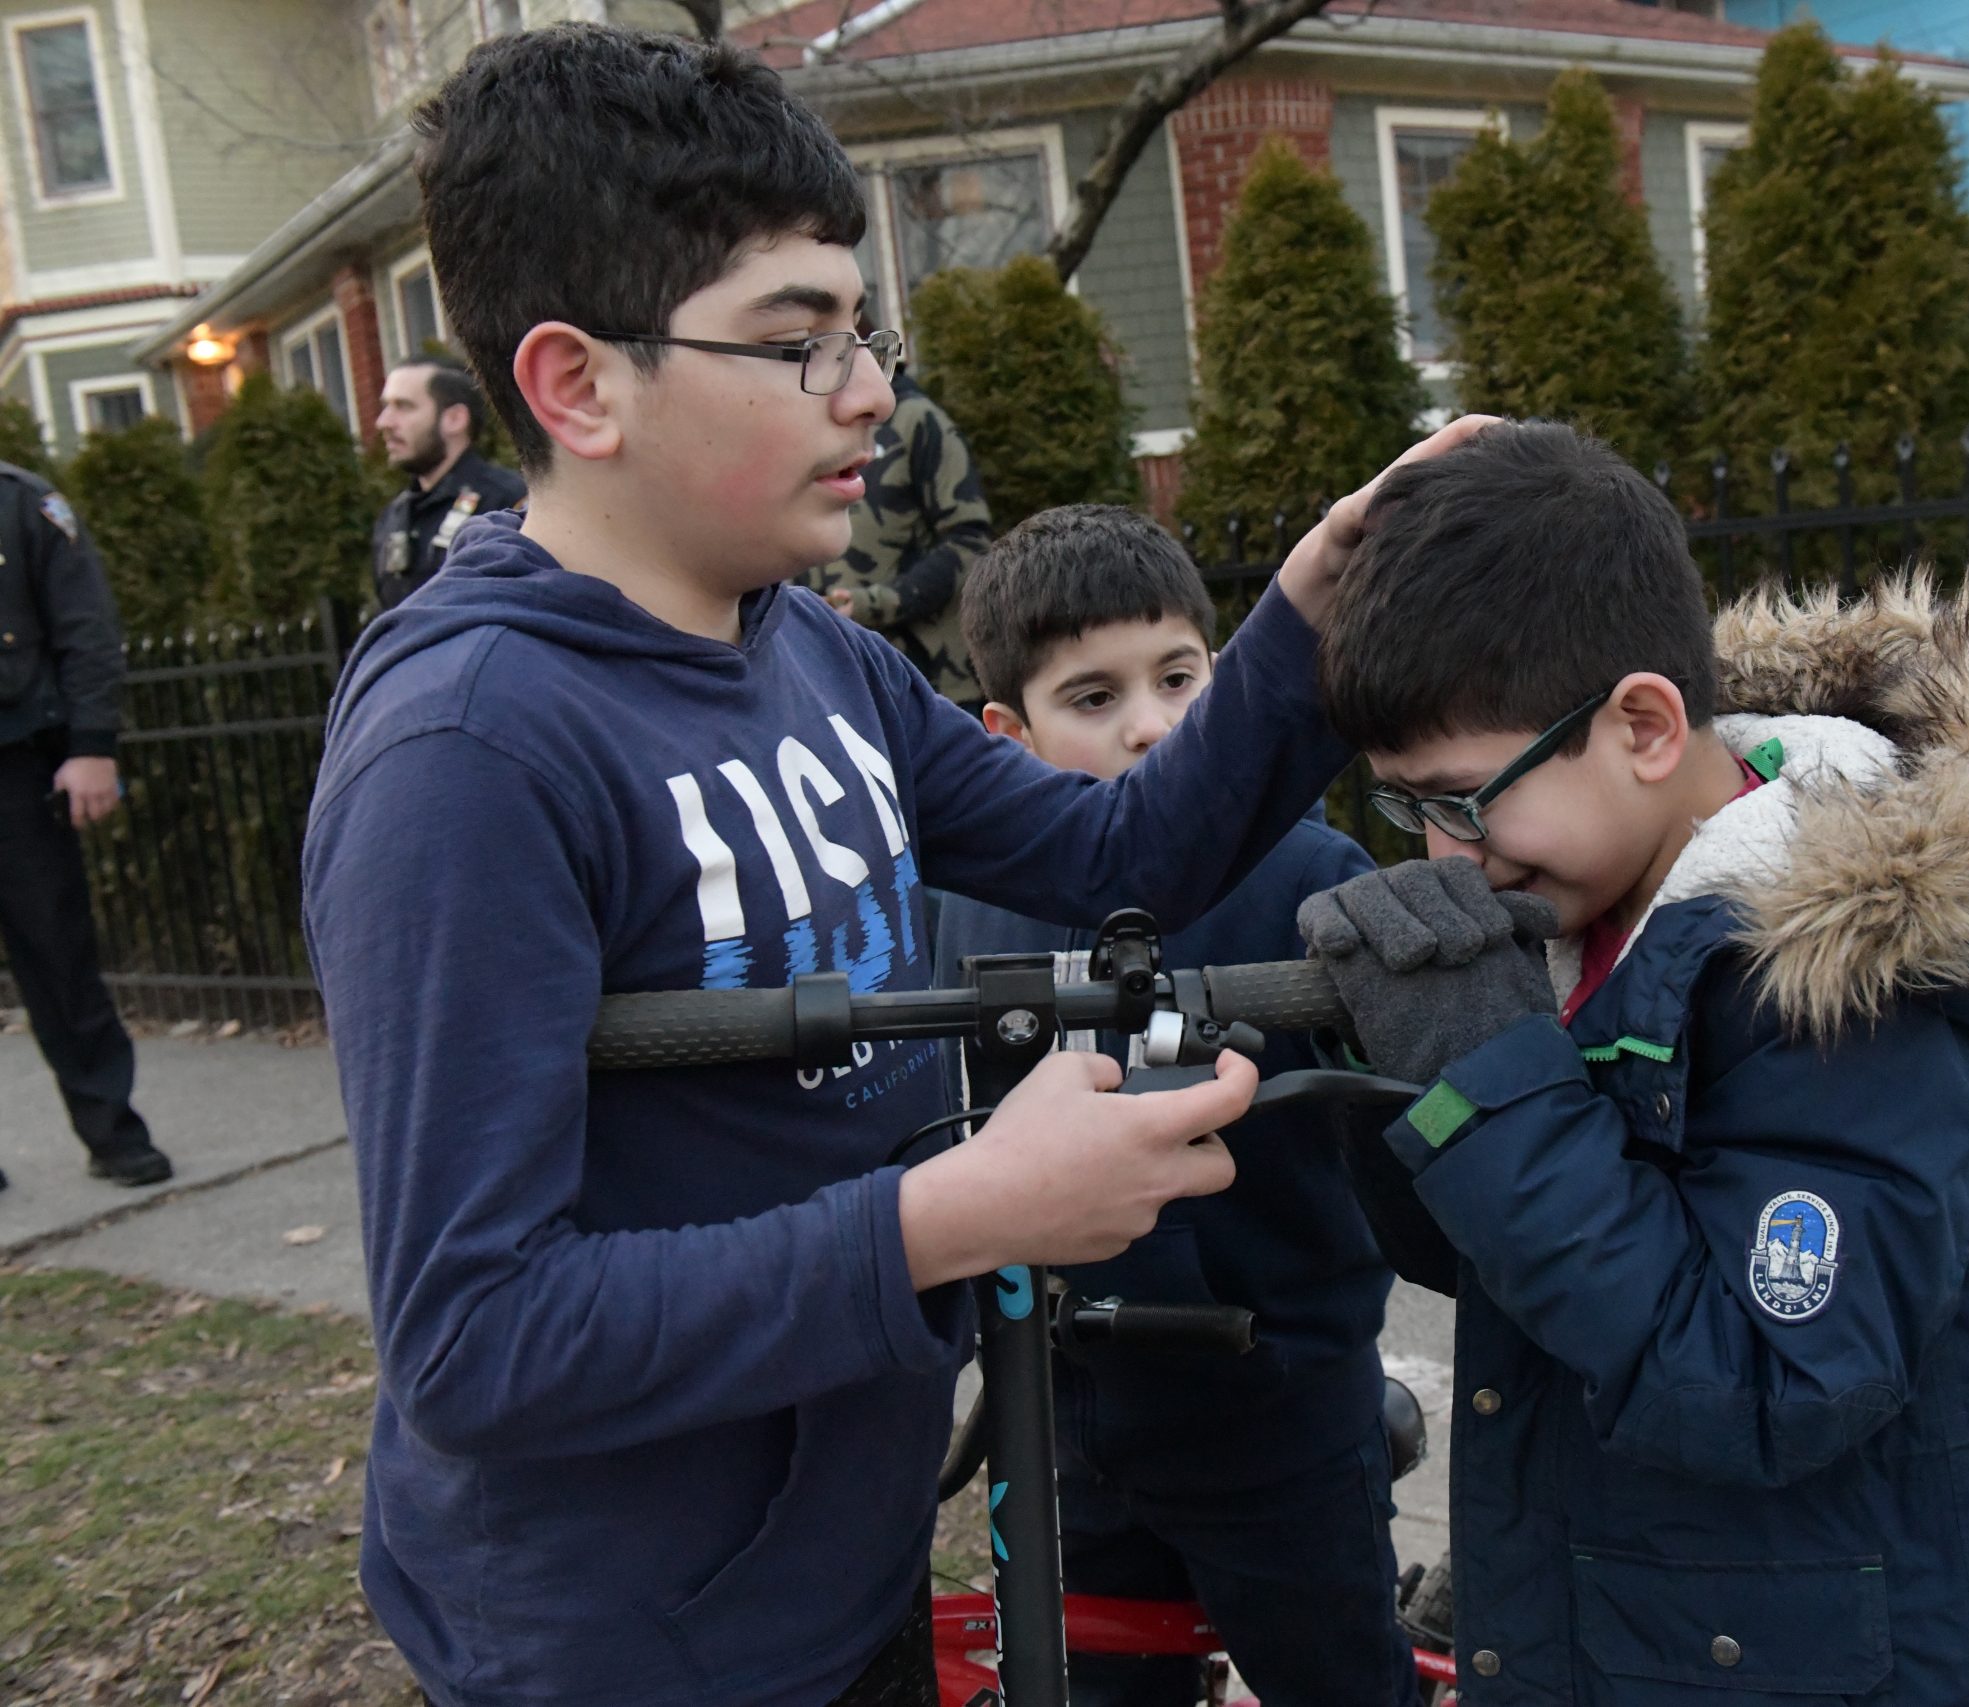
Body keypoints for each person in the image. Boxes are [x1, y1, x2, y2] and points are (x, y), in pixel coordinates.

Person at [298, 25, 1480, 1707]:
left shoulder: (813, 652)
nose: (870, 392)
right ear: (578, 385)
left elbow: (1118, 854)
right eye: (797, 343)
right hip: (621, 1647)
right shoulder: (468, 755)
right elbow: (476, 1338)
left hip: (833, 1575)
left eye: (866, 333)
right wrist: (956, 1213)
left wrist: (1311, 616)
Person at [1296, 423, 1969, 1704]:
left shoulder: (1857, 992)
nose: (1442, 853)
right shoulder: (1595, 917)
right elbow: (1505, 1262)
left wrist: (1486, 1078)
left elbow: (1760, 1382)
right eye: (1407, 807)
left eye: (1466, 800)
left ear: (1645, 724)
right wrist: (1396, 1073)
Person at [932, 505, 1415, 1707]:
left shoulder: (1314, 882)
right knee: (1087, 1684)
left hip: (1282, 1417)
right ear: (1008, 734)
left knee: (1339, 1684)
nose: (1153, 726)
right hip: (1059, 1423)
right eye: (1093, 699)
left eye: (1180, 678)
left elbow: (1399, 1133)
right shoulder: (968, 904)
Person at [0, 459, 172, 1193]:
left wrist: (93, 745)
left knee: (57, 955)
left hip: (14, 763)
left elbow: (86, 627)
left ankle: (112, 1130)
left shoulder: (24, 505)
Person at [814, 357, 994, 710]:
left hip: (934, 686)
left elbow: (970, 541)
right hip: (842, 687)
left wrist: (873, 603)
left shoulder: (918, 421)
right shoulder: (810, 425)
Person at [370, 354, 528, 611]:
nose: (384, 422)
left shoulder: (508, 501)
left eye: (404, 406)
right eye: (385, 406)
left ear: (455, 418)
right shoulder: (394, 516)